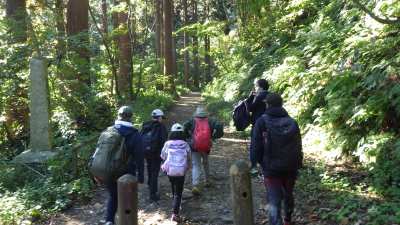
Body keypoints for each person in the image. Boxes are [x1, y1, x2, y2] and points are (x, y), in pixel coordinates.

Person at [252, 93, 303, 225]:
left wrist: (254, 163)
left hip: (271, 168)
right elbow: (298, 144)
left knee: (274, 200)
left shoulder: (262, 121)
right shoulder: (292, 122)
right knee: (288, 195)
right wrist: (298, 163)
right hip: (291, 167)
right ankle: (287, 219)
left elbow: (256, 145)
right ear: (281, 104)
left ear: (267, 104)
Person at [105, 106, 144, 225]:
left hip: (109, 170)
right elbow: (139, 157)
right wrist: (141, 177)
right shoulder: (134, 134)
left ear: (118, 116)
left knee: (113, 196)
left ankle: (109, 221)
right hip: (126, 173)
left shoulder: (109, 130)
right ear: (130, 117)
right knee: (128, 198)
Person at [183, 107, 223, 195]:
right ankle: (207, 181)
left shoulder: (192, 121)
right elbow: (219, 126)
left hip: (195, 146)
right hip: (206, 146)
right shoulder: (210, 121)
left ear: (196, 114)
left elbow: (184, 127)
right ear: (205, 114)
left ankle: (196, 185)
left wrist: (188, 138)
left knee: (196, 165)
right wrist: (214, 137)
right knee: (205, 162)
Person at [161, 123, 191, 222]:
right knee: (179, 192)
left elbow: (163, 156)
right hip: (181, 170)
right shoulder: (185, 144)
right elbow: (189, 156)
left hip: (170, 170)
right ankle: (175, 213)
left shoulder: (167, 143)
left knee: (174, 187)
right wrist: (188, 165)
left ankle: (175, 204)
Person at [141, 109, 168, 202]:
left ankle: (149, 184)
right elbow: (164, 141)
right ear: (159, 117)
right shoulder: (161, 127)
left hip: (146, 152)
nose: (162, 120)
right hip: (156, 153)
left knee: (149, 167)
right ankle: (153, 194)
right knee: (154, 172)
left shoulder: (145, 124)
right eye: (162, 118)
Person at [247, 78, 270, 175]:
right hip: (269, 124)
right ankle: (266, 165)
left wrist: (251, 97)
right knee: (267, 144)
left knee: (254, 145)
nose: (255, 88)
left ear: (260, 87)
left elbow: (250, 108)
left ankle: (253, 166)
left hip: (257, 124)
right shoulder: (271, 95)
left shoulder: (259, 96)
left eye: (256, 86)